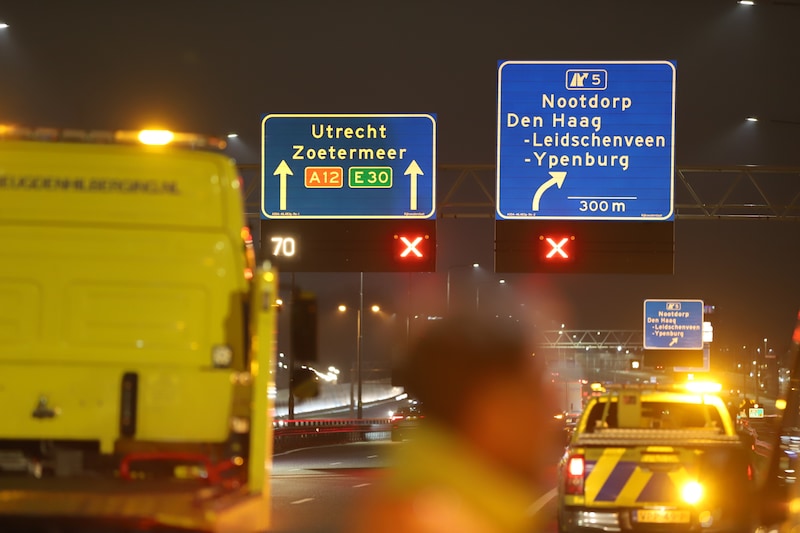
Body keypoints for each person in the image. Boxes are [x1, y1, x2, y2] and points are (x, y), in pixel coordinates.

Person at [345, 314, 563, 533]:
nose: (549, 413)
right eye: (534, 395)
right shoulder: (444, 521)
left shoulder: (466, 507)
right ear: (492, 412)